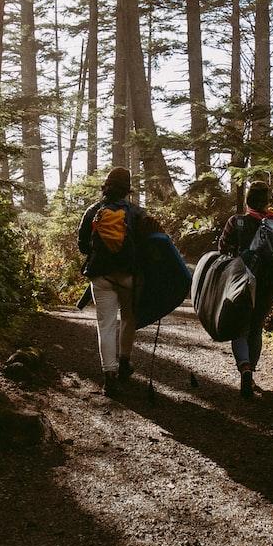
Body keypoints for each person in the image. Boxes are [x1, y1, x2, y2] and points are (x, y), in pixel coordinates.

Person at [77, 166, 154, 395]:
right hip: (129, 276)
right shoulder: (137, 212)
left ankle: (108, 376)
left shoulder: (93, 210)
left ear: (106, 186)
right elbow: (150, 246)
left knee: (106, 325)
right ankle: (124, 362)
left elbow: (82, 245)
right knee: (129, 318)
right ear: (127, 190)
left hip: (100, 276)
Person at [217, 181, 273, 399]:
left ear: (248, 199)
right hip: (267, 285)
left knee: (240, 328)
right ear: (266, 201)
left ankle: (245, 369)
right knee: (256, 329)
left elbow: (223, 249)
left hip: (241, 284)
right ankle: (252, 373)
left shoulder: (236, 222)